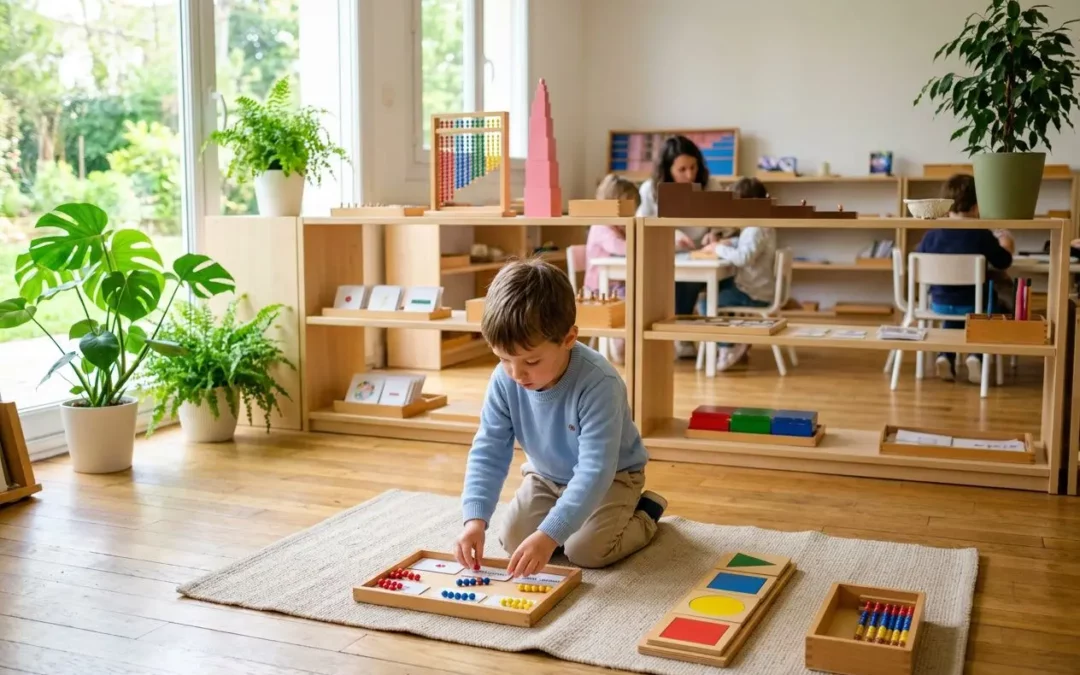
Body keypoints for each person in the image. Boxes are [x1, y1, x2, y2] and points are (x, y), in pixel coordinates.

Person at [455, 259, 666, 575]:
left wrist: (549, 535)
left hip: (613, 476)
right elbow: (488, 452)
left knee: (586, 550)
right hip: (546, 476)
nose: (516, 373)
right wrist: (475, 519)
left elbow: (595, 470)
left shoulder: (599, 383)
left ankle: (646, 512)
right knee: (513, 539)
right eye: (503, 359)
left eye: (531, 360)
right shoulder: (505, 379)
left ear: (568, 339)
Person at [916, 174, 1013, 383]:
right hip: (973, 306)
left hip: (938, 305)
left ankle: (945, 356)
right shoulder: (981, 234)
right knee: (987, 308)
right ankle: (975, 355)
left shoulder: (930, 235)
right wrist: (1005, 242)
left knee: (954, 315)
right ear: (977, 206)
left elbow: (917, 261)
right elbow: (1003, 262)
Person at [635, 135, 712, 359]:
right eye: (682, 169)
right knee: (665, 280)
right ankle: (668, 337)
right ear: (668, 170)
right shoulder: (650, 190)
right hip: (664, 255)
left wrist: (714, 234)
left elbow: (723, 221)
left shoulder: (709, 185)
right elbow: (642, 226)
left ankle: (682, 336)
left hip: (699, 256)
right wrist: (670, 233)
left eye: (693, 167)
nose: (690, 175)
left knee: (687, 281)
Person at [696, 177, 778, 371]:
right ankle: (735, 340)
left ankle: (727, 347)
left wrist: (717, 248)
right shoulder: (762, 226)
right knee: (717, 291)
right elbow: (749, 248)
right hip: (758, 288)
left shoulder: (754, 229)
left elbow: (743, 258)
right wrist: (728, 243)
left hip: (753, 293)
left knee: (706, 301)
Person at [584, 174, 640, 364]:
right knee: (630, 301)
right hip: (599, 291)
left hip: (617, 286)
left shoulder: (618, 226)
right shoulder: (602, 226)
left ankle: (632, 342)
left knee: (640, 296)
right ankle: (620, 344)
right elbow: (620, 247)